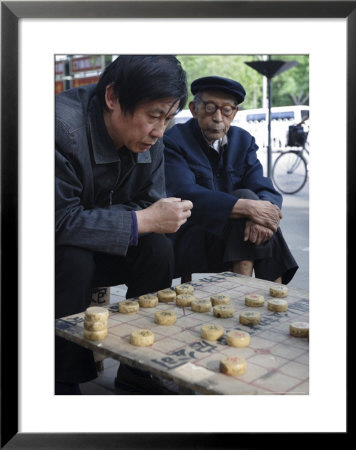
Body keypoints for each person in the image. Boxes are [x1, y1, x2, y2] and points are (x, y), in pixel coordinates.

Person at [55, 55, 193, 395]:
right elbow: (55, 221)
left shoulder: (153, 139)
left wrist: (145, 219)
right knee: (73, 256)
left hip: (101, 245)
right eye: (153, 116)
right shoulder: (59, 128)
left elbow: (150, 202)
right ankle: (59, 377)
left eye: (168, 118)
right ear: (113, 97)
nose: (159, 132)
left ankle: (139, 368)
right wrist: (139, 219)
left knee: (157, 246)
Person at [163, 75, 298, 284]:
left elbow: (262, 185)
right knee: (245, 203)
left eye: (227, 110)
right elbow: (184, 193)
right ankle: (271, 294)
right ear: (194, 109)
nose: (218, 117)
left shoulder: (243, 141)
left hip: (237, 237)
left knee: (254, 207)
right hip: (193, 237)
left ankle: (253, 291)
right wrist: (247, 208)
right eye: (210, 108)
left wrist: (264, 216)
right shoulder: (175, 141)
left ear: (234, 113)